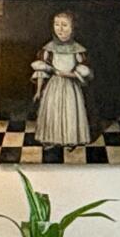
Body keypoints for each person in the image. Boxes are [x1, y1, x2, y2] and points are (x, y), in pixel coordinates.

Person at [27, 10, 93, 148]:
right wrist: (38, 91)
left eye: (64, 25)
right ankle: (52, 139)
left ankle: (70, 140)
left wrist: (69, 75)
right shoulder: (48, 49)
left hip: (71, 87)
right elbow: (41, 71)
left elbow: (85, 72)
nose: (60, 29)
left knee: (70, 112)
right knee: (53, 113)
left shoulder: (78, 51)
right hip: (53, 86)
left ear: (73, 28)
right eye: (56, 24)